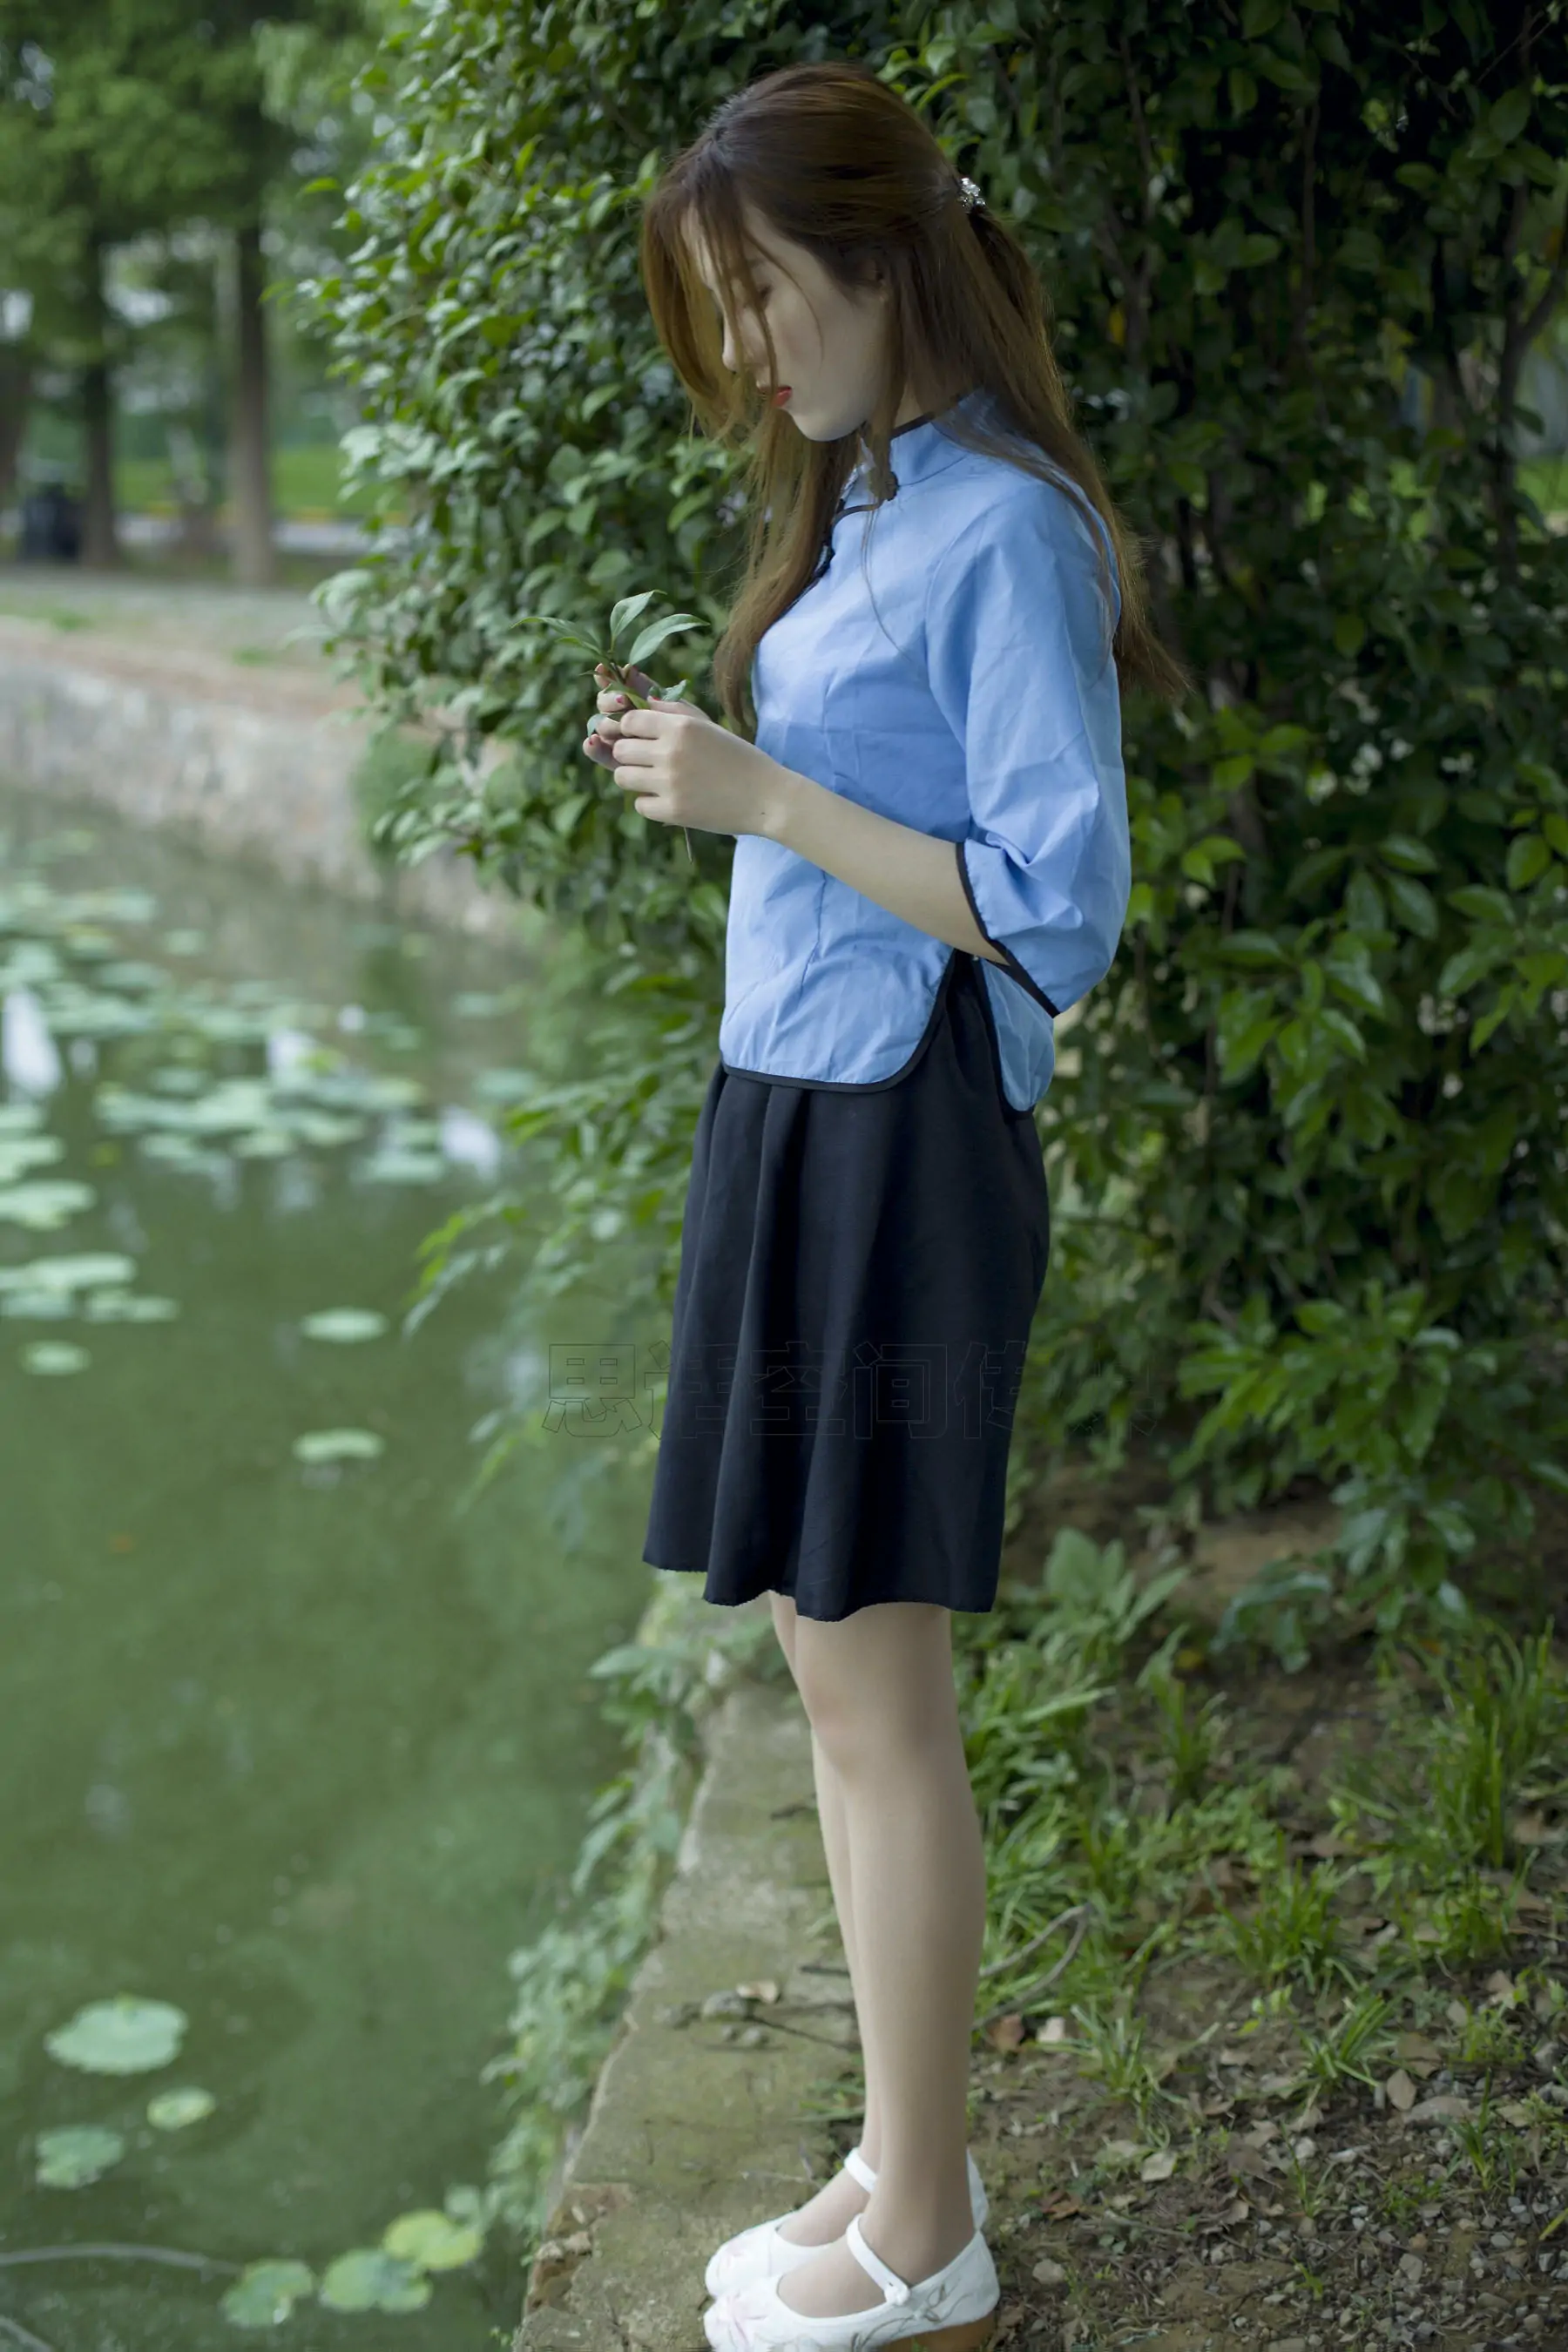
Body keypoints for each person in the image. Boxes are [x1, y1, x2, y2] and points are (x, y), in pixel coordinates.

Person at [580, 57, 1185, 2352]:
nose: (744, 348)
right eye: (719, 309)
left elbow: (1056, 909)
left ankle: (928, 2228)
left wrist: (761, 793)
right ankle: (891, 2159)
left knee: (874, 1686)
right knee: (825, 1669)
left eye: (759, 294)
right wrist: (722, 780)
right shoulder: (872, 499)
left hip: (903, 1133)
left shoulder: (1004, 526)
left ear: (880, 255)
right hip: (798, 1108)